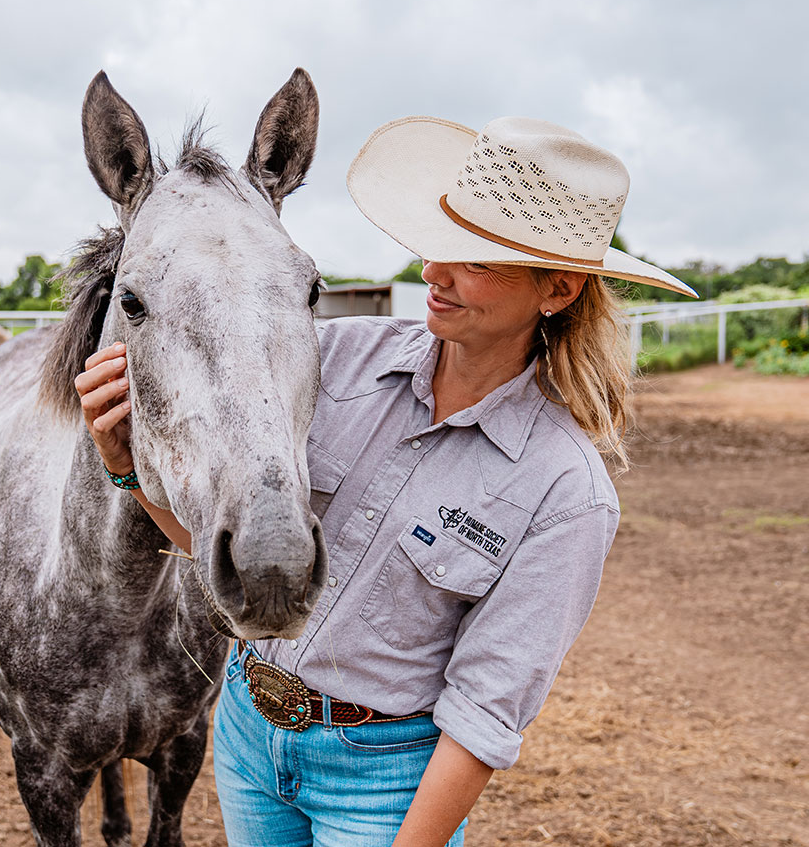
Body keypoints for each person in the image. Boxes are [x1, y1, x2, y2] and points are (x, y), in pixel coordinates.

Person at [76, 115, 697, 846]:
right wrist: (125, 470)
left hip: (385, 782)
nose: (433, 273)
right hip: (249, 733)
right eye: (438, 245)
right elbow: (229, 549)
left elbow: (484, 714)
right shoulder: (330, 361)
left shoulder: (564, 493)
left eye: (475, 260)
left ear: (556, 288)